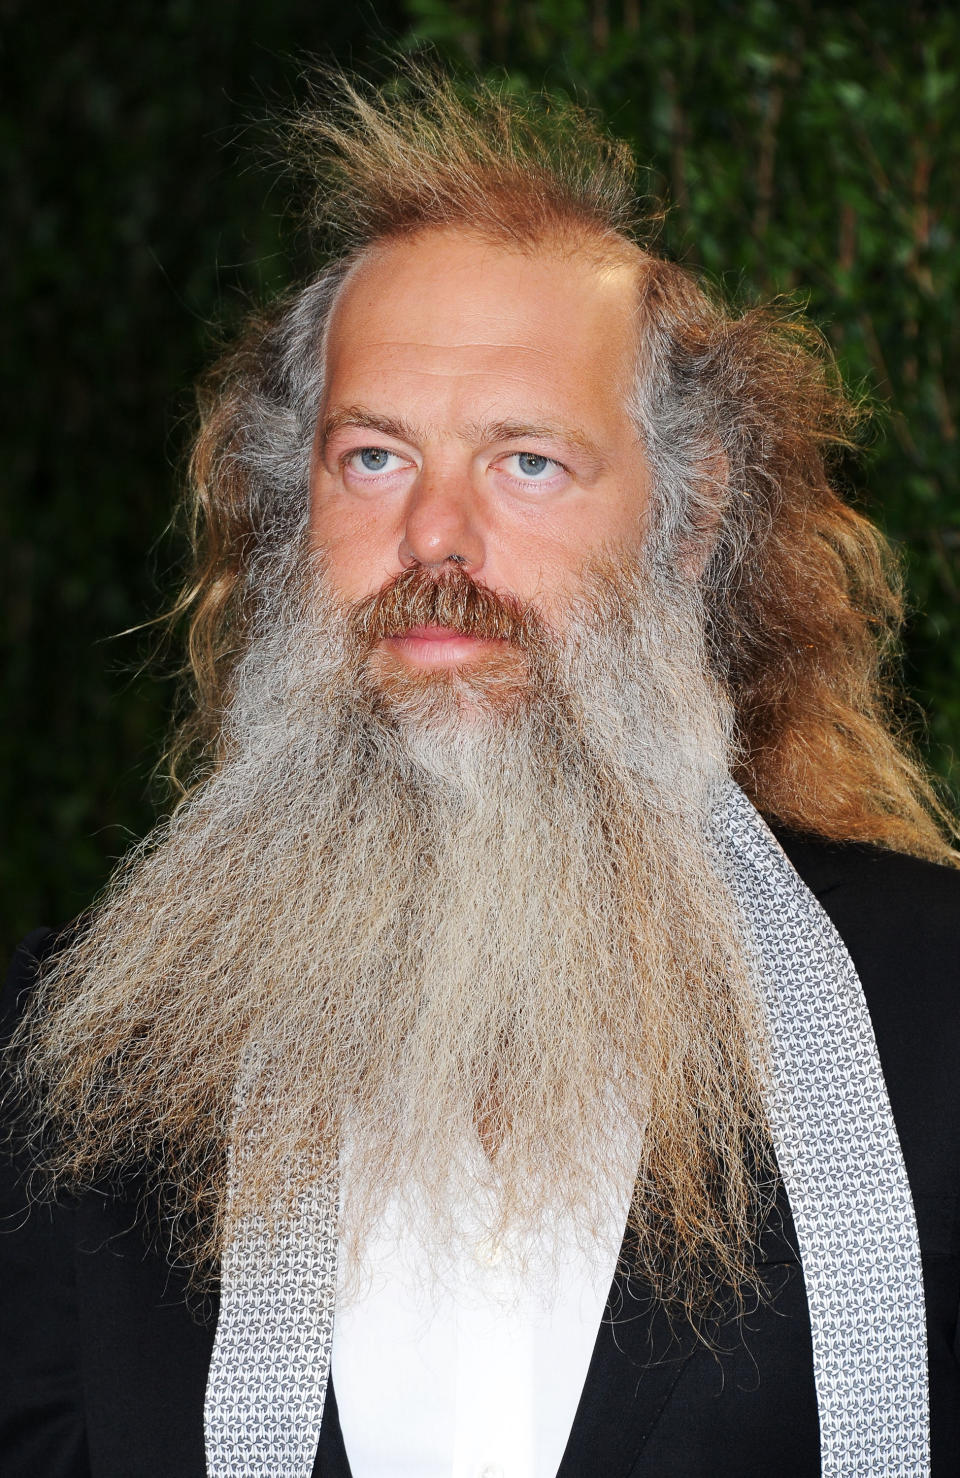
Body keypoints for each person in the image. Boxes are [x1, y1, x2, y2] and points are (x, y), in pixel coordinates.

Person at [2, 70, 958, 1478]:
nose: (434, 539)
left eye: (527, 463)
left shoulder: (934, 1014)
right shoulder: (76, 1070)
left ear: (686, 534)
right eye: (373, 456)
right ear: (291, 522)